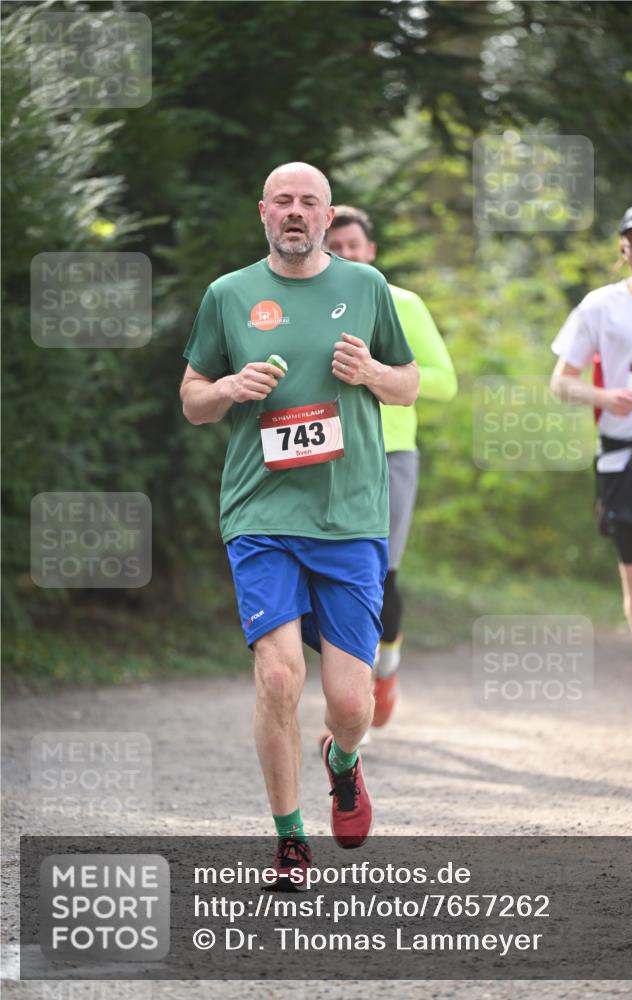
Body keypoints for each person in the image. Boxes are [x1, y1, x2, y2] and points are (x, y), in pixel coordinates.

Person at [180, 162, 418, 884]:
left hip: (349, 517)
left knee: (350, 703)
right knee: (279, 678)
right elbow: (192, 399)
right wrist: (228, 387)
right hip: (261, 512)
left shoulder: (366, 287)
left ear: (326, 216)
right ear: (263, 212)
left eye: (308, 202)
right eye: (282, 200)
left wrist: (371, 373)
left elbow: (407, 385)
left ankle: (342, 761)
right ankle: (290, 839)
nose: (294, 211)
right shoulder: (228, 295)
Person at [325, 206, 457, 728]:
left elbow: (444, 381)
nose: (346, 254)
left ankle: (387, 666)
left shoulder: (402, 303)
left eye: (354, 246)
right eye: (336, 247)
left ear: (371, 251)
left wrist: (378, 374)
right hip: (330, 453)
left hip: (391, 454)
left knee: (381, 572)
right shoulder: (311, 304)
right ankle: (346, 696)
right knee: (332, 571)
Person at [550, 202, 632, 766]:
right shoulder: (601, 306)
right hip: (621, 462)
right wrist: (604, 396)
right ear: (624, 248)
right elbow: (561, 382)